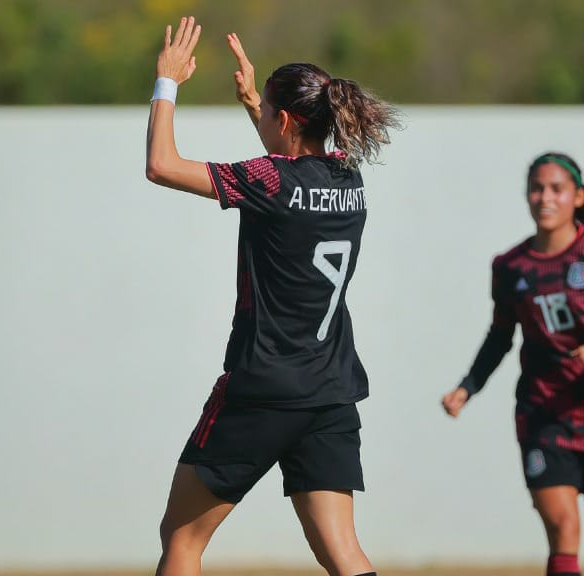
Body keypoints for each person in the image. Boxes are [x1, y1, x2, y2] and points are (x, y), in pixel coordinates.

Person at [145, 17, 399, 576]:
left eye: (265, 112)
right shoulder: (348, 178)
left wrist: (167, 83)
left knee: (181, 539)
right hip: (329, 394)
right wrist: (254, 104)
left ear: (283, 119)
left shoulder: (271, 181)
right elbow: (294, 168)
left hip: (263, 390)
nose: (259, 116)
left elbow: (161, 165)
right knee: (344, 552)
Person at [441, 152, 584, 576]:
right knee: (563, 529)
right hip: (543, 414)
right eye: (537, 188)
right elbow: (500, 337)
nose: (545, 197)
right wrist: (467, 386)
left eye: (556, 189)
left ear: (577, 197)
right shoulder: (509, 266)